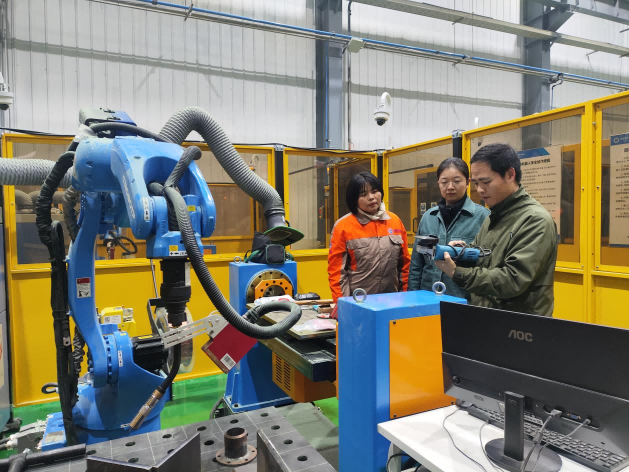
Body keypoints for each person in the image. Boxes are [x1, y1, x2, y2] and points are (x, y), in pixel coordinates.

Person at [435, 143, 558, 317]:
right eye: (476, 183)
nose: (480, 190)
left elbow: (513, 279)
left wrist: (457, 272)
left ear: (510, 175)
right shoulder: (495, 215)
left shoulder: (535, 220)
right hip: (489, 317)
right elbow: (483, 258)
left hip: (520, 325)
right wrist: (461, 254)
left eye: (486, 182)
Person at [328, 171, 410, 317]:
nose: (371, 197)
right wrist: (344, 306)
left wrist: (405, 298)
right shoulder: (343, 226)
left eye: (374, 191)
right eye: (363, 194)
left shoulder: (395, 221)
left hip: (391, 303)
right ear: (354, 199)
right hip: (359, 304)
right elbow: (337, 273)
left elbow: (404, 265)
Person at [408, 158, 489, 298]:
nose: (450, 187)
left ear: (468, 182)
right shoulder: (428, 217)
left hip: (462, 298)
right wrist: (412, 296)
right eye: (444, 182)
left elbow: (488, 263)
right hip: (427, 296)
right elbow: (417, 263)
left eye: (456, 181)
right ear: (438, 183)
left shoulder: (483, 217)